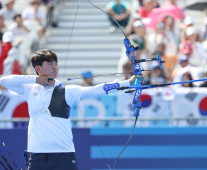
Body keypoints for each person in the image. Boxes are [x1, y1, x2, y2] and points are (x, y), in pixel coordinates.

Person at [0, 49, 138, 170]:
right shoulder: (29, 89)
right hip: (36, 154)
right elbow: (4, 81)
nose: (55, 67)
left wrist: (127, 82)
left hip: (64, 154)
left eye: (56, 63)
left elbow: (97, 90)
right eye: (50, 64)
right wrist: (37, 80)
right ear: (38, 68)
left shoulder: (67, 91)